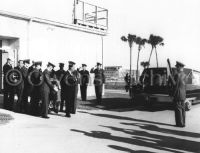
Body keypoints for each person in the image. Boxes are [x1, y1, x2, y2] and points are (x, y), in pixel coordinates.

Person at [169, 61, 187, 127]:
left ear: (180, 67)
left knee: (178, 109)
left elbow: (175, 85)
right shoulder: (185, 75)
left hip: (178, 94)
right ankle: (183, 123)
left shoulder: (177, 75)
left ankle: (179, 124)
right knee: (183, 109)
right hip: (183, 95)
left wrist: (171, 77)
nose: (176, 68)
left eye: (177, 67)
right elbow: (184, 86)